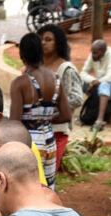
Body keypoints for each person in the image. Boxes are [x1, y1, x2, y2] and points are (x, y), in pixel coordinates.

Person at [9, 33, 70, 188]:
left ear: (21, 55)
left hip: (29, 143)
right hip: (49, 141)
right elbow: (66, 115)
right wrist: (45, 120)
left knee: (28, 187)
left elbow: (15, 122)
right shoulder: (56, 79)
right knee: (47, 187)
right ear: (41, 52)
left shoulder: (20, 83)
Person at [39, 24, 84, 170]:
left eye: (48, 40)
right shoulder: (34, 67)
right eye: (40, 39)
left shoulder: (66, 69)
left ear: (58, 43)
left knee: (47, 175)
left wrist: (52, 108)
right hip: (35, 131)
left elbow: (76, 98)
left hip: (56, 131)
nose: (43, 43)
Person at [80, 40, 111, 132]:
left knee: (104, 85)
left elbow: (110, 77)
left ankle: (99, 120)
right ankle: (94, 111)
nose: (93, 55)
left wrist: (98, 82)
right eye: (92, 52)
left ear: (103, 51)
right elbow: (83, 73)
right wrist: (93, 81)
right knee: (81, 82)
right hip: (102, 84)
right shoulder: (93, 56)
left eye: (96, 53)